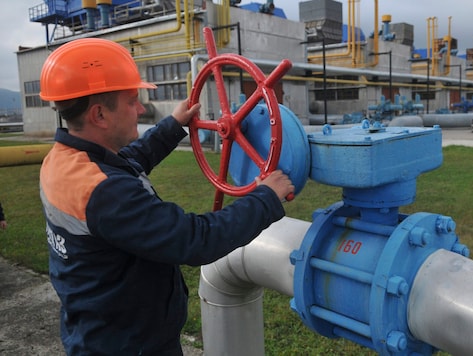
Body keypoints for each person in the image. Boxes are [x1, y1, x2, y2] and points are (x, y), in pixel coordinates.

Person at [39, 38, 294, 355]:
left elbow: (130, 162)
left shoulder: (64, 161)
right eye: (132, 101)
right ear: (99, 115)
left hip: (98, 328)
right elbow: (195, 239)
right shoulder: (105, 192)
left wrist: (174, 126)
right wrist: (266, 198)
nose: (141, 109)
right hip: (131, 344)